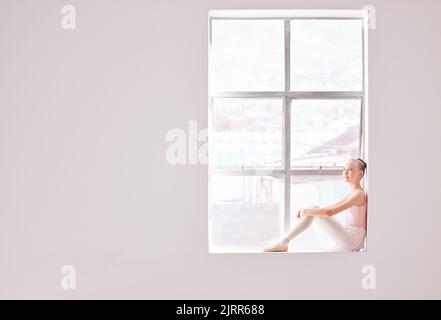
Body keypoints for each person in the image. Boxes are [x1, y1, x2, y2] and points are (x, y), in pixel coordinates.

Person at [262, 158, 368, 252]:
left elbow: (329, 212)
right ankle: (284, 242)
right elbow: (329, 208)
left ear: (360, 174)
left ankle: (284, 242)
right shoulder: (354, 193)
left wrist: (307, 211)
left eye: (350, 170)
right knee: (314, 209)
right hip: (349, 237)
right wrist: (309, 211)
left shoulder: (358, 195)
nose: (345, 173)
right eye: (344, 169)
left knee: (314, 209)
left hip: (353, 240)